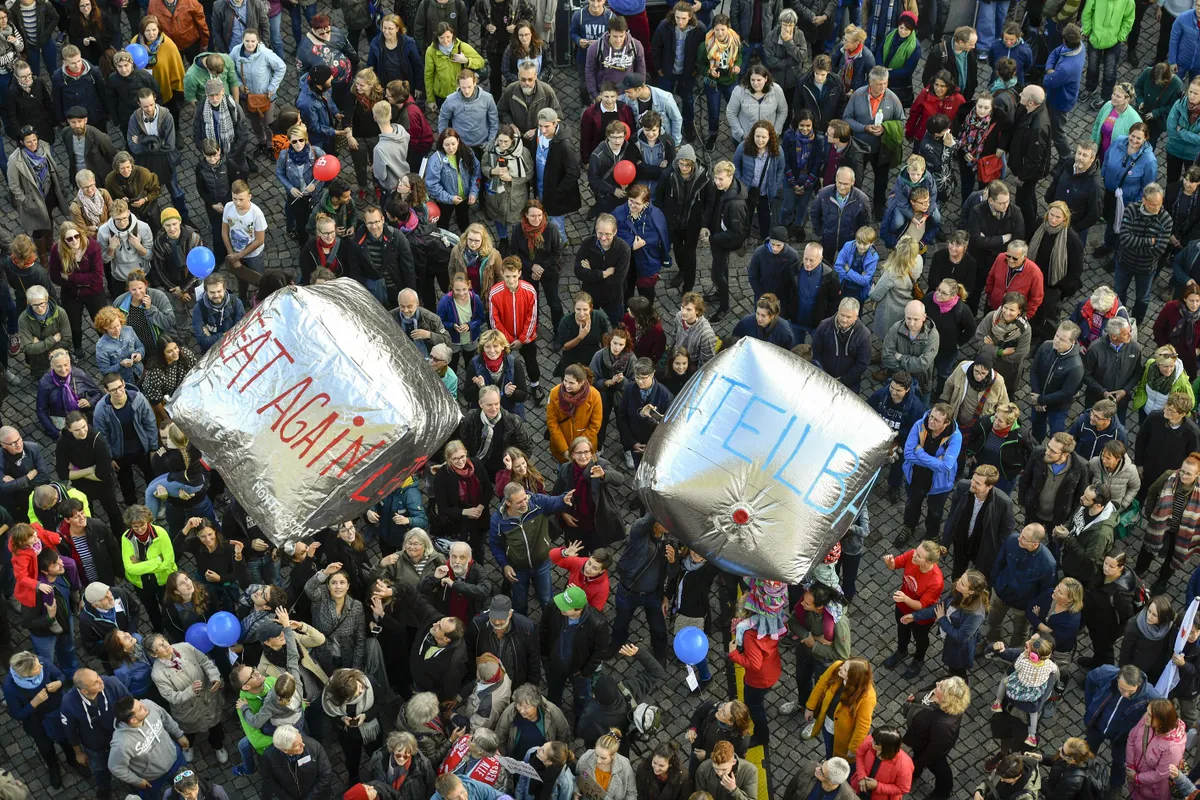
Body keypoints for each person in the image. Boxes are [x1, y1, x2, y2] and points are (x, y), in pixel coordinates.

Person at [3, 651, 75, 789]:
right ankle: (53, 768)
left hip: (56, 712)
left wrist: (59, 682)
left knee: (65, 739)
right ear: (26, 674)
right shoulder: (10, 687)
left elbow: (61, 675)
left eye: (38, 663)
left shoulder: (41, 661)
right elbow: (17, 714)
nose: (41, 667)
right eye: (36, 668)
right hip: (37, 722)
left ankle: (72, 759)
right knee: (46, 747)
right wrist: (33, 704)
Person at [1084, 665, 1161, 794]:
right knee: (1086, 749)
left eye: (1130, 692)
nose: (1125, 694)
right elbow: (1091, 678)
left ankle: (1116, 785)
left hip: (1123, 735)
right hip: (1098, 724)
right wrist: (1091, 705)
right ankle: (1081, 772)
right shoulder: (1106, 673)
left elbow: (1162, 711)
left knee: (1120, 762)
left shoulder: (1150, 695)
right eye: (1122, 689)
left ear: (1139, 684)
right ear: (1118, 679)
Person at [897, 404, 960, 545]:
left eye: (936, 420)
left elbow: (945, 466)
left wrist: (919, 452)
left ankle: (931, 534)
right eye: (931, 416)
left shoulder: (955, 437)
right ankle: (909, 527)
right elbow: (907, 454)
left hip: (939, 484)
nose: (931, 421)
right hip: (915, 477)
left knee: (935, 512)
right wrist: (934, 462)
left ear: (947, 423)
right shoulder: (920, 425)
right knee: (912, 505)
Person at [108, 696, 189, 799]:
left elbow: (165, 717)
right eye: (140, 707)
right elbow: (115, 767)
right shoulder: (121, 743)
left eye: (139, 703)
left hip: (176, 760)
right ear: (133, 720)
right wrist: (137, 781)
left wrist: (179, 735)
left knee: (187, 792)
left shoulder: (149, 704)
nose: (144, 705)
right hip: (154, 779)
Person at [883, 300, 941, 405]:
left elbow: (923, 364)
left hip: (922, 382)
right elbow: (887, 357)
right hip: (897, 381)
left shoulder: (932, 335)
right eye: (908, 318)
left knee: (921, 410)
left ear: (924, 317)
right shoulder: (896, 328)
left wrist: (900, 357)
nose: (911, 323)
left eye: (916, 319)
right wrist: (906, 375)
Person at [260, 725, 335, 800]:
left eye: (301, 739)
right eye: (297, 745)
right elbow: (269, 779)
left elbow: (326, 774)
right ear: (285, 750)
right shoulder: (269, 755)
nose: (303, 744)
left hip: (317, 796)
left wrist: (310, 798)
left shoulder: (314, 747)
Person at [812, 298, 871, 392]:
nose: (844, 320)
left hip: (849, 383)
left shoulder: (863, 335)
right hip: (823, 377)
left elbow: (862, 364)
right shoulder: (824, 326)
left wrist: (843, 380)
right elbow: (816, 351)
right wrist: (822, 373)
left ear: (856, 316)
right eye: (842, 315)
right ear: (838, 311)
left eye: (848, 317)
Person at [191, 273, 245, 353]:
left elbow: (239, 332)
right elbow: (202, 341)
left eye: (219, 291)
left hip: (231, 348)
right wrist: (225, 335)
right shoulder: (199, 308)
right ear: (206, 291)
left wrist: (212, 337)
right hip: (211, 351)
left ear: (224, 289)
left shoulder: (236, 303)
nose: (216, 295)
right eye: (212, 292)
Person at [693, 740, 758, 800]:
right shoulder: (703, 769)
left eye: (724, 769)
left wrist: (734, 790)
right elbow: (700, 796)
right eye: (716, 769)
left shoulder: (750, 771)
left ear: (734, 762)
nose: (719, 773)